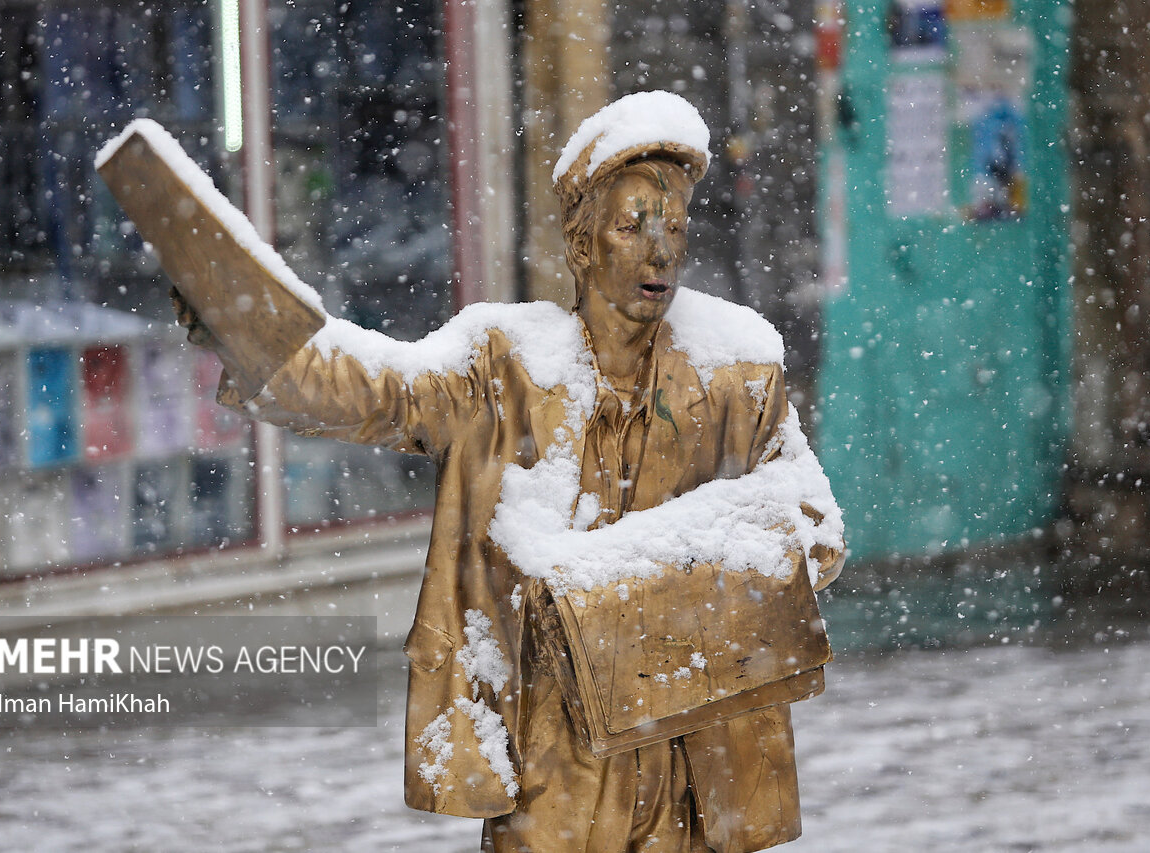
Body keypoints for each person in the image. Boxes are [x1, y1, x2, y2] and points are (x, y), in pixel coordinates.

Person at [174, 91, 844, 853]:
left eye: (677, 227)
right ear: (584, 244)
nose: (662, 250)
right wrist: (249, 332)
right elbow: (376, 386)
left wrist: (648, 582)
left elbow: (815, 532)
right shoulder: (505, 368)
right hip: (555, 756)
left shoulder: (736, 367)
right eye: (633, 226)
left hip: (694, 758)